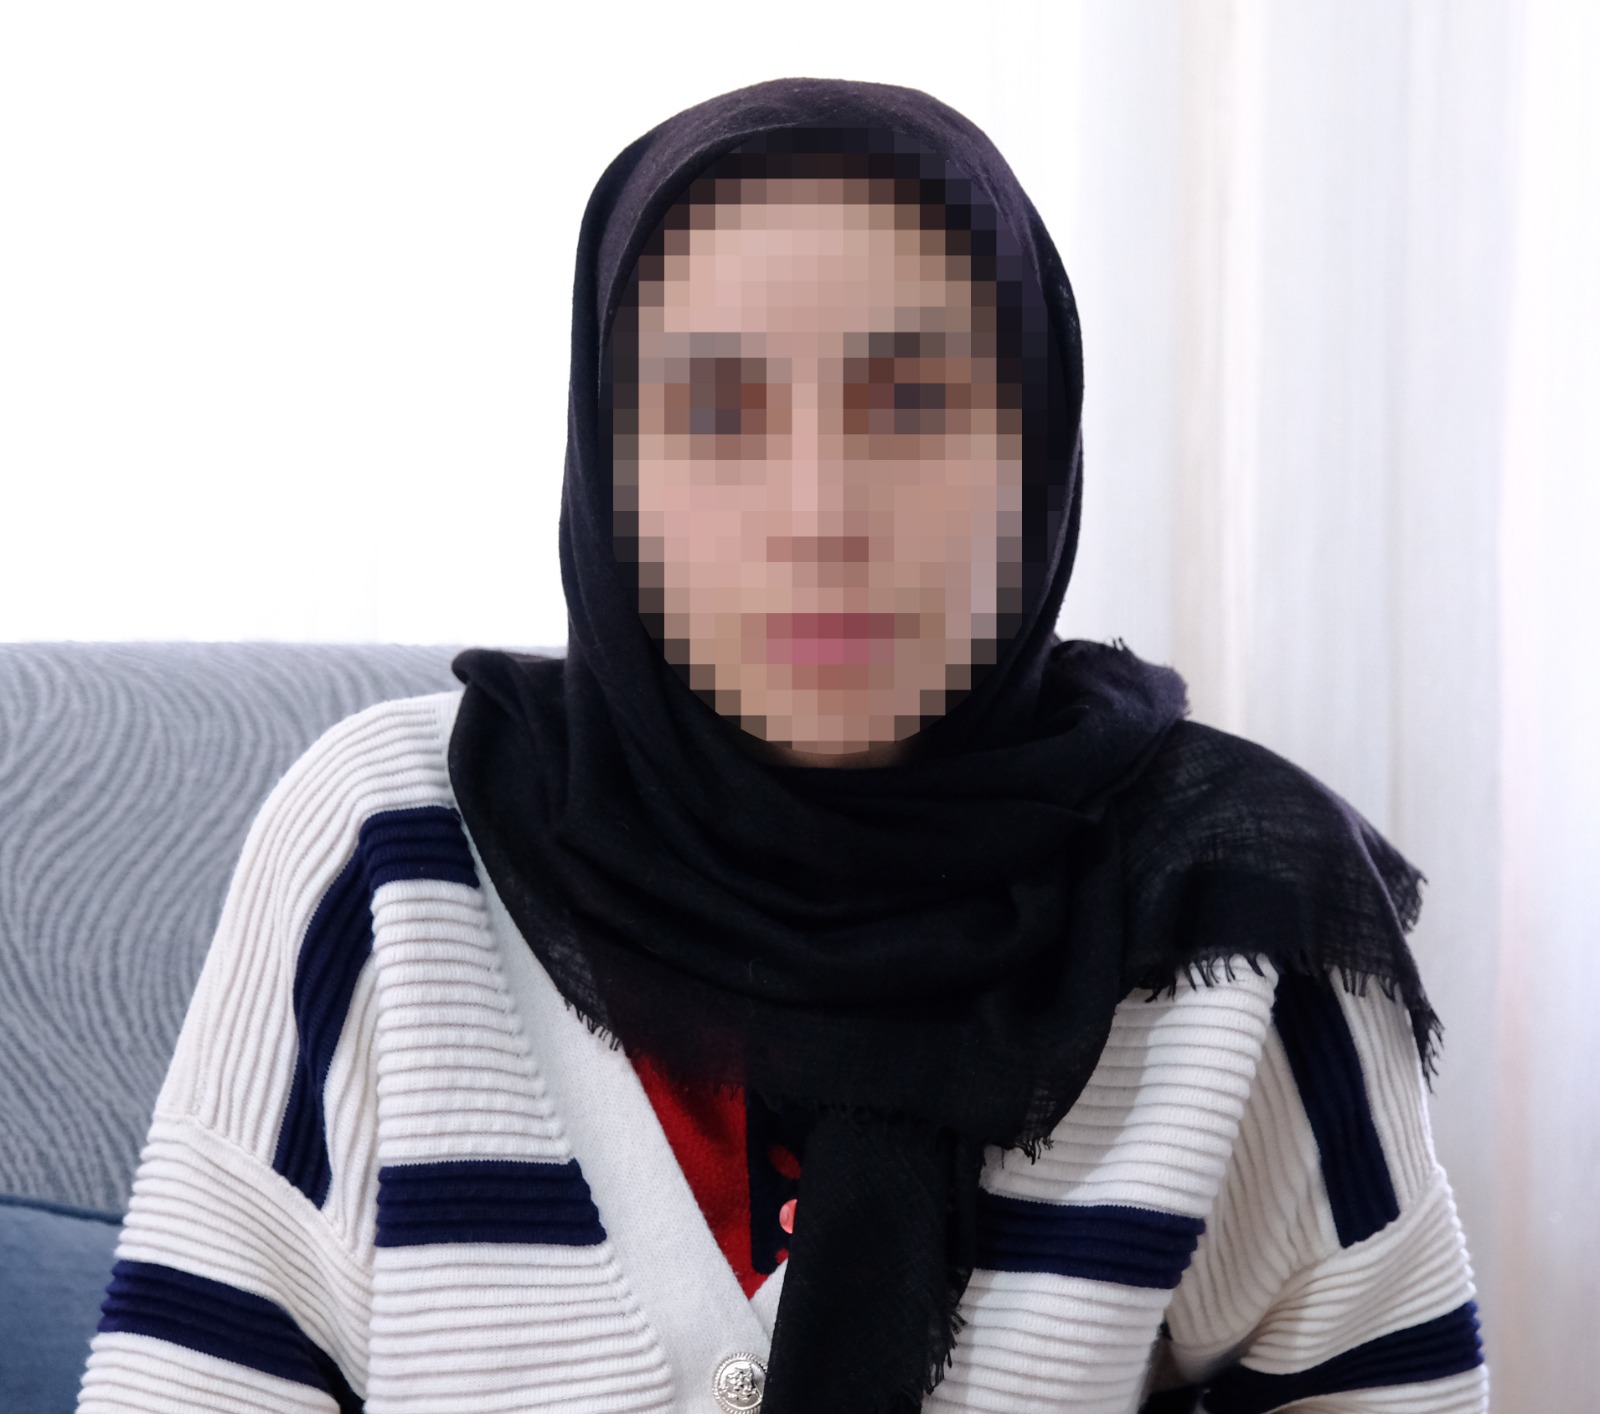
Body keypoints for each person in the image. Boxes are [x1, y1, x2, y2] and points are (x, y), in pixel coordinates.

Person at [77, 79, 1487, 1414]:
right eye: (715, 412)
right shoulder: (388, 853)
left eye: (914, 402)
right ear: (610, 471)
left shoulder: (1234, 919)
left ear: (1038, 449)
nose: (820, 511)